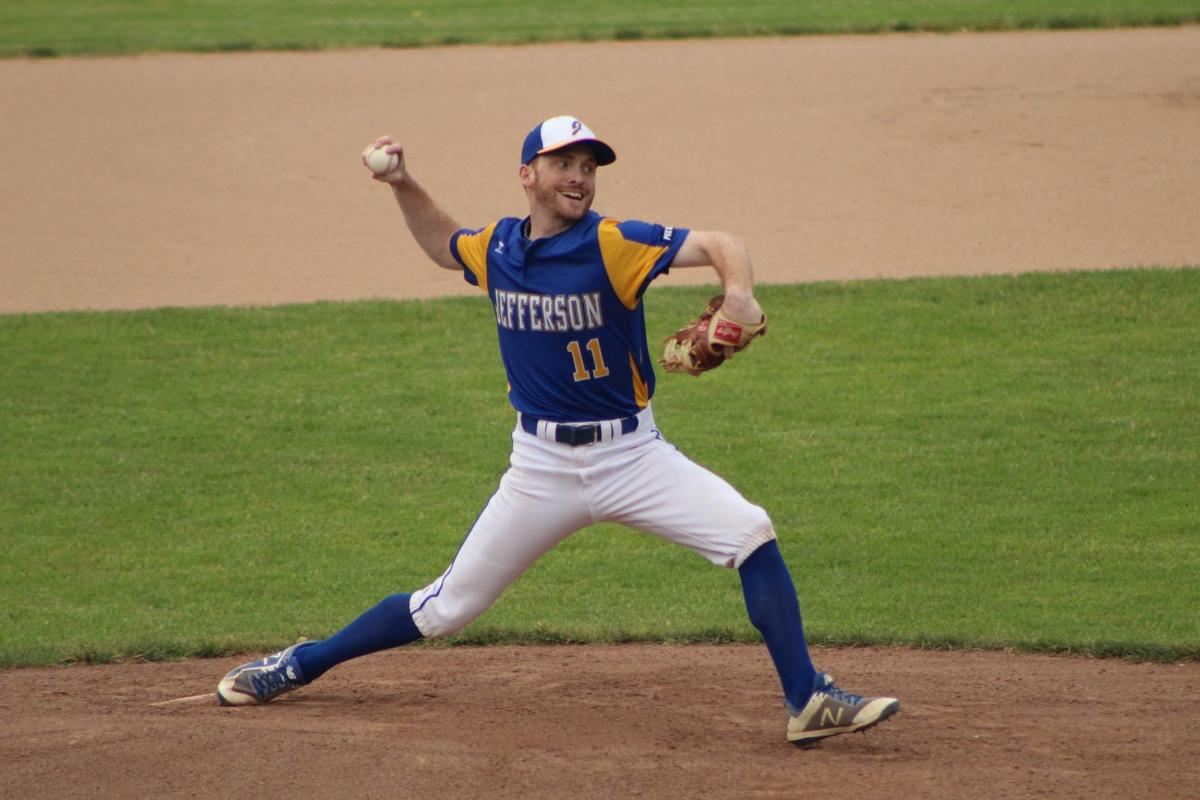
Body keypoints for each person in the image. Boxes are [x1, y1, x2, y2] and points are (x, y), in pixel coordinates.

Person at [216, 116, 899, 746]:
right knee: (446, 608)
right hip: (540, 467)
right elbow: (443, 245)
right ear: (528, 176)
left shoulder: (613, 243)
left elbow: (723, 243)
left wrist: (740, 290)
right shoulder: (501, 248)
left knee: (750, 533)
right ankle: (301, 663)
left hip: (633, 456)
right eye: (564, 163)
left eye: (589, 166)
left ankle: (807, 700)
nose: (579, 176)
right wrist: (401, 182)